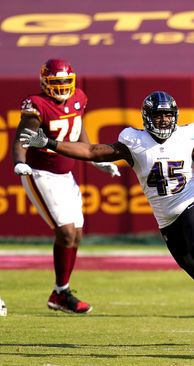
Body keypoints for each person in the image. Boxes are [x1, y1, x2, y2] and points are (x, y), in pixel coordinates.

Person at [19, 90, 194, 349]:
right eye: (158, 116)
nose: (163, 121)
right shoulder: (134, 142)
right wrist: (49, 143)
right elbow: (94, 151)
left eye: (167, 116)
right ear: (147, 117)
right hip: (166, 220)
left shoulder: (187, 136)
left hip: (192, 203)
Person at [12, 59, 121, 314]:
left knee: (77, 234)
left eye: (64, 82)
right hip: (40, 173)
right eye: (56, 82)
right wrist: (19, 162)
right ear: (45, 83)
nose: (61, 87)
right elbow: (22, 138)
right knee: (66, 233)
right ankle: (61, 293)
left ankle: (61, 292)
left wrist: (94, 158)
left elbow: (79, 126)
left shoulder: (79, 97)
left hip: (65, 174)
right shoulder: (37, 105)